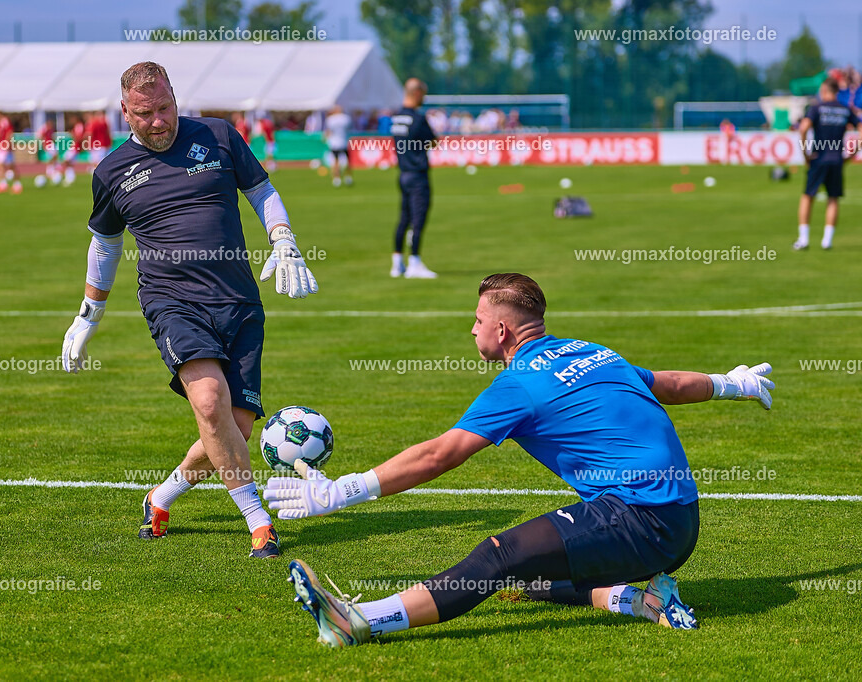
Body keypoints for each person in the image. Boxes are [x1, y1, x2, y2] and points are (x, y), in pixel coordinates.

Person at [264, 273, 775, 647]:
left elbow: (440, 454)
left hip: (640, 520)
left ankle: (360, 621)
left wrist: (342, 490)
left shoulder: (519, 385)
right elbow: (671, 383)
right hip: (679, 518)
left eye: (480, 320)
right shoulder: (591, 350)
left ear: (503, 332)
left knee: (500, 557)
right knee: (528, 577)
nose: (473, 330)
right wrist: (737, 384)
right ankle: (643, 600)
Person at [60, 61, 319, 559]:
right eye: (144, 114)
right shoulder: (112, 172)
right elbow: (105, 246)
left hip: (239, 298)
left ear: (175, 97)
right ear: (124, 113)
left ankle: (161, 497)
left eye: (164, 108)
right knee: (208, 403)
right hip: (172, 301)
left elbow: (261, 191)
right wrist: (88, 315)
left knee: (234, 427)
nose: (158, 121)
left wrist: (283, 239)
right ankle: (257, 520)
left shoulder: (219, 135)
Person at [794, 77, 862, 251]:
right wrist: (851, 155)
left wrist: (805, 153)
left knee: (808, 196)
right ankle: (827, 241)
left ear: (825, 91)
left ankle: (804, 239)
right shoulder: (845, 109)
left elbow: (804, 127)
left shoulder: (816, 108)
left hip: (818, 158)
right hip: (836, 159)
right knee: (833, 198)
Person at [390, 78, 438, 279]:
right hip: (418, 175)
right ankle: (415, 263)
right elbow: (433, 141)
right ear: (417, 93)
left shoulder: (397, 118)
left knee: (404, 218)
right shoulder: (418, 119)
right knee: (418, 219)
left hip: (403, 174)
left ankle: (397, 263)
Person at [0, 111, 22, 194]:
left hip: (4, 147)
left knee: (6, 166)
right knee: (2, 165)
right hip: (0, 147)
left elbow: (9, 133)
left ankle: (13, 185)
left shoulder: (5, 122)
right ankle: (5, 184)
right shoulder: (0, 123)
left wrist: (7, 144)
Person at [323, 105, 353, 188]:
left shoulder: (330, 119)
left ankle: (336, 179)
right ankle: (348, 177)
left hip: (334, 143)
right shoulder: (346, 118)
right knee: (347, 161)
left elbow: (328, 132)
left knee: (335, 161)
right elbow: (349, 129)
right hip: (344, 141)